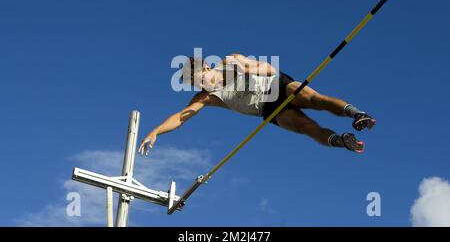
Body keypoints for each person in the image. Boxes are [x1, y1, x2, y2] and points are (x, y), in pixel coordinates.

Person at [138, 54, 376, 155]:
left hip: (276, 85)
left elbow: (269, 69)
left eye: (198, 79)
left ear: (207, 68)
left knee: (316, 100)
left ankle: (357, 114)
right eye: (193, 84)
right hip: (267, 109)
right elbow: (181, 116)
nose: (199, 85)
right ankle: (342, 141)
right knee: (305, 127)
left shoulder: (229, 62)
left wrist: (246, 68)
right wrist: (156, 131)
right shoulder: (205, 98)